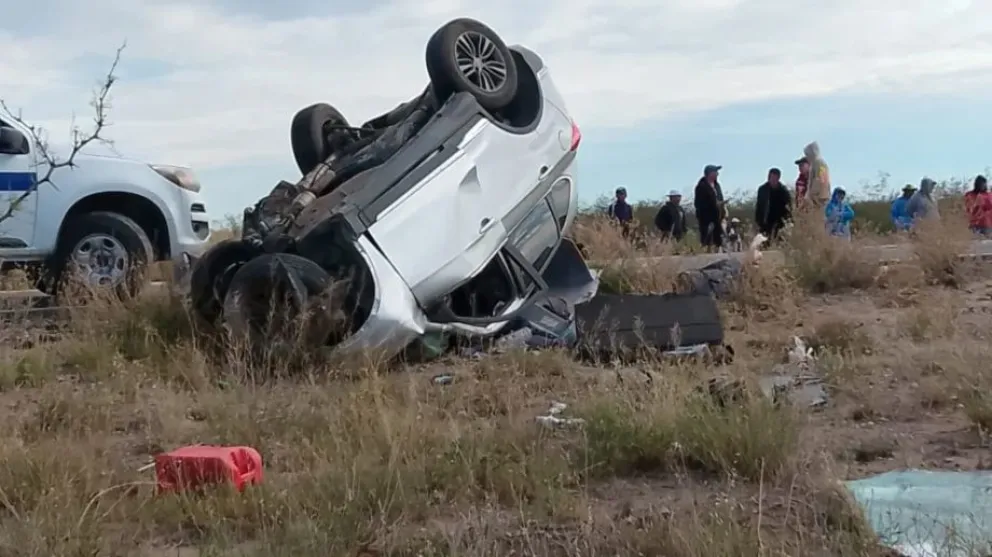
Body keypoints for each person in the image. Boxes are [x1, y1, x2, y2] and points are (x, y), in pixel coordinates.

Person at [754, 167, 792, 241]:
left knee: (779, 243)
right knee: (764, 244)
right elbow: (759, 206)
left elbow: (788, 207)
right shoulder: (762, 190)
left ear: (778, 178)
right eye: (770, 177)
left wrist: (788, 222)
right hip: (765, 222)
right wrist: (757, 222)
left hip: (780, 223)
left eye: (773, 177)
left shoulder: (784, 191)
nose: (771, 179)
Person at [693, 164, 725, 250]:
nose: (717, 174)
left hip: (718, 217)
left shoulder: (717, 186)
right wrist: (713, 204)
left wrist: (722, 208)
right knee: (707, 239)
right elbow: (698, 204)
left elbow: (720, 198)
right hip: (706, 218)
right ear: (710, 173)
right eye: (715, 172)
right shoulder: (701, 187)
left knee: (718, 239)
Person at [803, 141, 831, 207]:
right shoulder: (815, 164)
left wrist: (811, 195)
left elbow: (822, 181)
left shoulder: (820, 163)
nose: (807, 157)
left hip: (819, 200)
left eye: (807, 154)